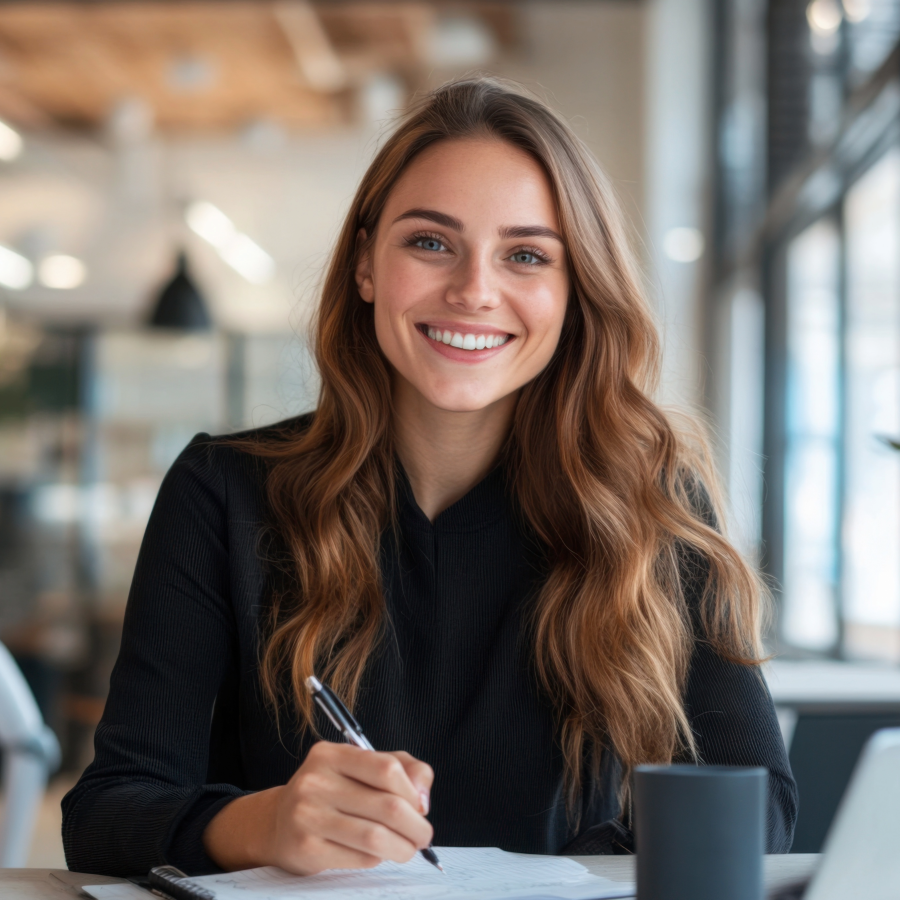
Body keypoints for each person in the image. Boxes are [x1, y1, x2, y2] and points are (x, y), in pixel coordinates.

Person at [62, 77, 797, 877]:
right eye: (430, 243)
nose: (474, 291)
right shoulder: (223, 494)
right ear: (366, 265)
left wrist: (575, 869)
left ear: (574, 290)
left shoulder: (649, 504)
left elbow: (756, 808)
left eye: (526, 255)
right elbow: (106, 810)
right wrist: (264, 825)